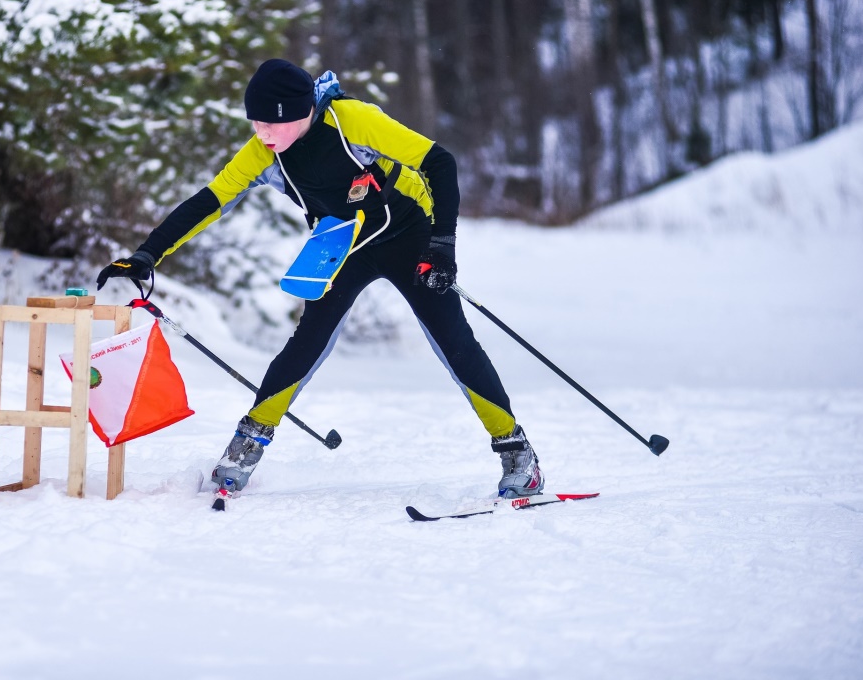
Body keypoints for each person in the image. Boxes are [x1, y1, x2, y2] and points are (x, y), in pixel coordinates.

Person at [97, 59, 543, 499]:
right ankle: (247, 445)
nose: (261, 133)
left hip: (410, 233)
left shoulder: (353, 120)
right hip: (342, 243)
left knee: (454, 341)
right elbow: (209, 201)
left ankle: (516, 450)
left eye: (271, 124)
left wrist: (442, 246)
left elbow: (440, 163)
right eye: (254, 123)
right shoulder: (262, 152)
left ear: (302, 112)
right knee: (306, 341)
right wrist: (146, 254)